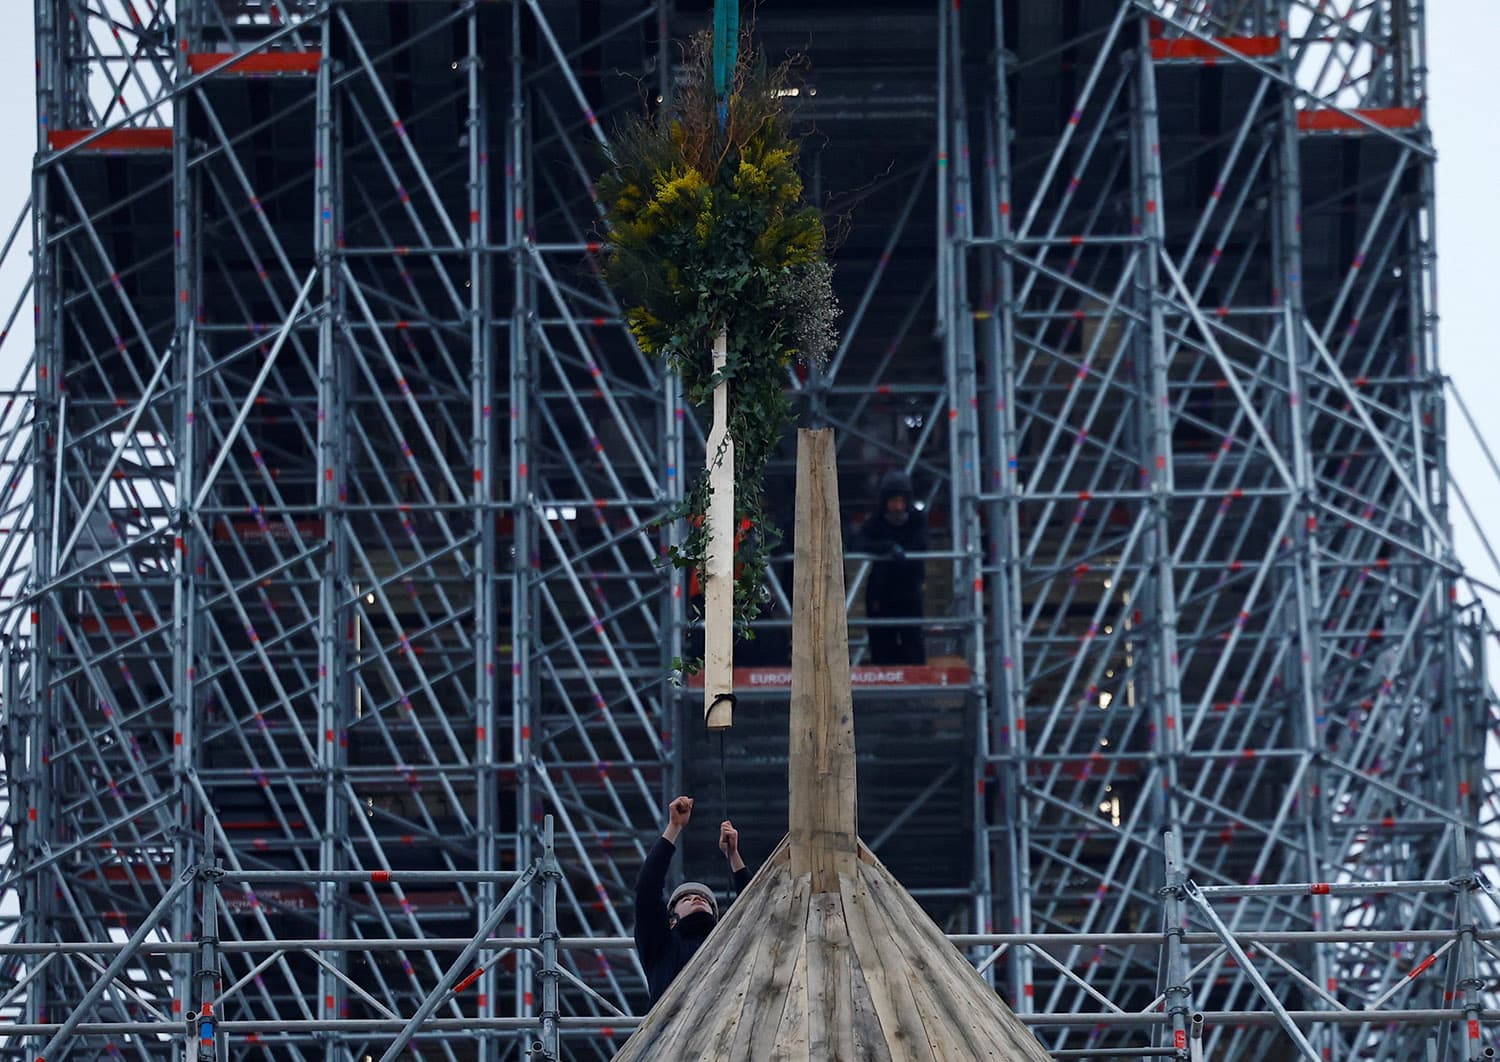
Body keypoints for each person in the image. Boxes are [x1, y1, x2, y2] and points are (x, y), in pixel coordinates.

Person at [633, 795, 752, 1005]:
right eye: (686, 898)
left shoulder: (728, 945)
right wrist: (674, 827)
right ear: (671, 920)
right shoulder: (663, 947)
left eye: (705, 899)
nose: (697, 897)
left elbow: (755, 911)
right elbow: (647, 890)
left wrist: (733, 855)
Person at [851, 469, 929, 664]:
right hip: (881, 593)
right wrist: (886, 548)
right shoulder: (876, 522)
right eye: (893, 501)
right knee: (882, 645)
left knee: (913, 643)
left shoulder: (917, 520)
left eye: (901, 501)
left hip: (909, 591)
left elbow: (922, 544)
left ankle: (914, 690)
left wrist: (902, 552)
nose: (897, 506)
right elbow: (858, 543)